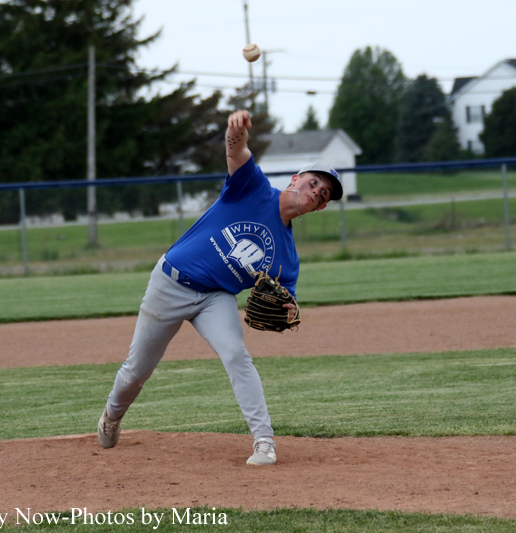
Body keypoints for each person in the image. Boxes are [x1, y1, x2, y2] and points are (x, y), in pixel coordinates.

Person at [98, 109, 343, 465]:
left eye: (324, 194)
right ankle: (112, 415)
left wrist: (290, 308)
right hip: (170, 282)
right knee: (137, 370)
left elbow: (287, 299)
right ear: (296, 178)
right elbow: (236, 151)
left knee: (236, 354)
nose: (318, 192)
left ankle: (264, 441)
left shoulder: (287, 260)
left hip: (216, 298)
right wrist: (234, 131)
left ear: (320, 208)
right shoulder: (253, 188)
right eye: (315, 182)